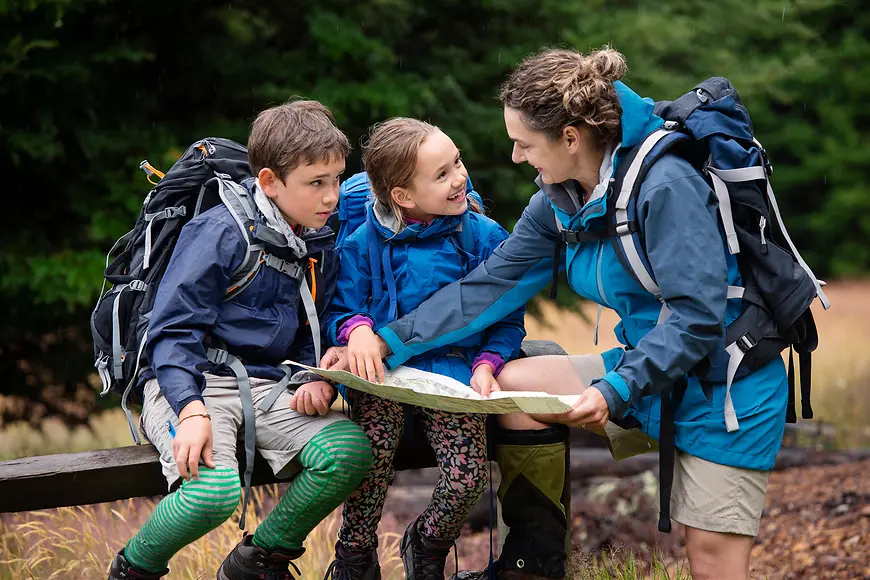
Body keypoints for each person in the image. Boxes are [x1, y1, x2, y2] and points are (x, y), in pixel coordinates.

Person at [345, 48, 790, 580]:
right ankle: (532, 564)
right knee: (516, 383)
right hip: (644, 374)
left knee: (712, 560)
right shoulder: (559, 199)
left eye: (524, 144)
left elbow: (698, 319)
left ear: (571, 138)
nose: (514, 157)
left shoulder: (666, 185)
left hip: (722, 387)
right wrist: (386, 341)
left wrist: (614, 391)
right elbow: (490, 286)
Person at [107, 99, 373, 580]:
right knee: (212, 494)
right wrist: (189, 410)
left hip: (266, 385)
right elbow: (171, 333)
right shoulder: (218, 233)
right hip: (185, 383)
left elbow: (308, 325)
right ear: (270, 182)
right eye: (317, 183)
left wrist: (316, 377)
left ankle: (257, 562)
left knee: (349, 451)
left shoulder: (316, 239)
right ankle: (133, 569)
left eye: (336, 179)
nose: (332, 197)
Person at [322, 118, 526, 580]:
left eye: (456, 162)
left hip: (450, 375)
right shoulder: (363, 242)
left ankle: (427, 542)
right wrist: (354, 330)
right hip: (380, 377)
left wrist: (489, 362)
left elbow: (507, 314)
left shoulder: (483, 236)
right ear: (402, 197)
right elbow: (341, 306)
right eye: (441, 174)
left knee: (469, 476)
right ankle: (354, 556)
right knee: (368, 460)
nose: (459, 177)